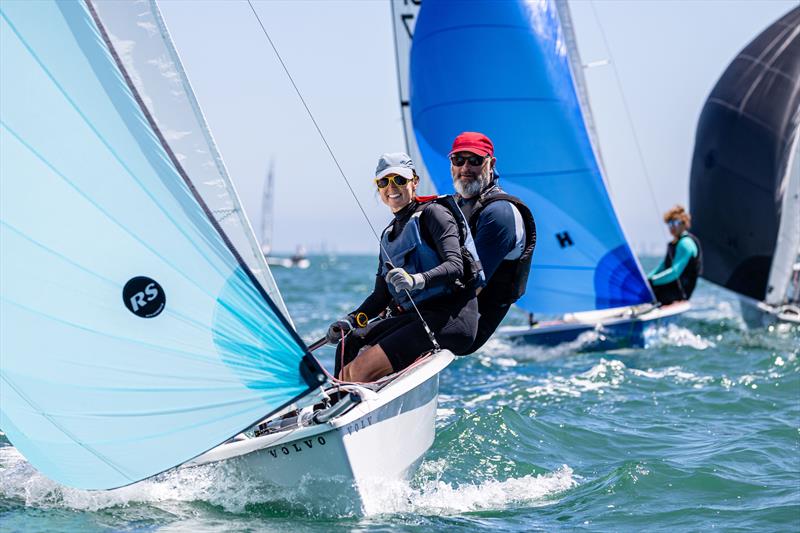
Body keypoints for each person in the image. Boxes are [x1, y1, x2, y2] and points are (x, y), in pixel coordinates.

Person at [325, 153, 480, 382]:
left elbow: (455, 266)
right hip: (415, 317)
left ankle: (358, 405)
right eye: (384, 182)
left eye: (399, 179)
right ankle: (337, 405)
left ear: (414, 182)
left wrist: (417, 280)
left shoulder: (434, 214)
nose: (391, 187)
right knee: (350, 343)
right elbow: (380, 296)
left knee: (359, 371)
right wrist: (349, 320)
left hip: (450, 317)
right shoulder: (388, 234)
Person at [450, 132, 537, 354]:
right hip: (445, 310)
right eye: (458, 160)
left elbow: (471, 284)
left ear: (491, 163)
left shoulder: (499, 213)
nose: (465, 167)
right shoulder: (457, 205)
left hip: (466, 326)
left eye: (476, 160)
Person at [648, 205, 702, 305]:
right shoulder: (673, 243)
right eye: (669, 223)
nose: (671, 227)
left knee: (648, 291)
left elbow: (675, 272)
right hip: (669, 288)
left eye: (675, 223)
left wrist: (652, 282)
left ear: (683, 224)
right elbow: (662, 267)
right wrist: (647, 279)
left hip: (679, 293)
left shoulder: (685, 243)